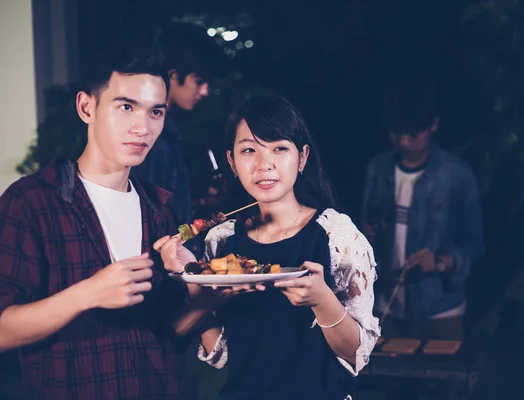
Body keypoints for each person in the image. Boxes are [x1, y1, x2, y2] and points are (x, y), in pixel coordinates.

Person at [154, 92, 381, 399]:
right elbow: (221, 356)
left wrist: (321, 299)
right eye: (249, 150)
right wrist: (189, 273)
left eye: (279, 149)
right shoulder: (221, 240)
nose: (264, 164)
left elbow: (355, 354)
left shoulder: (336, 235)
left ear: (301, 157)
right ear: (232, 162)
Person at [0, 42, 189, 399]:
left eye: (156, 112)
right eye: (126, 107)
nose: (142, 127)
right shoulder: (31, 202)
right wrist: (87, 294)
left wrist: (208, 293)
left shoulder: (159, 211)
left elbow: (168, 332)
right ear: (87, 107)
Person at [361, 79, 485, 340]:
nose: (404, 141)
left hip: (440, 310)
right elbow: (368, 229)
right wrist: (366, 236)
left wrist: (440, 262)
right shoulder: (378, 168)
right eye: (397, 132)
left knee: (437, 377)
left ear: (433, 125)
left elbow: (474, 244)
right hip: (386, 304)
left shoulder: (457, 175)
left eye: (413, 133)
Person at [131, 21, 221, 228]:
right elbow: (152, 217)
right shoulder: (154, 136)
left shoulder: (167, 132)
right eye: (199, 81)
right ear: (171, 75)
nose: (205, 91)